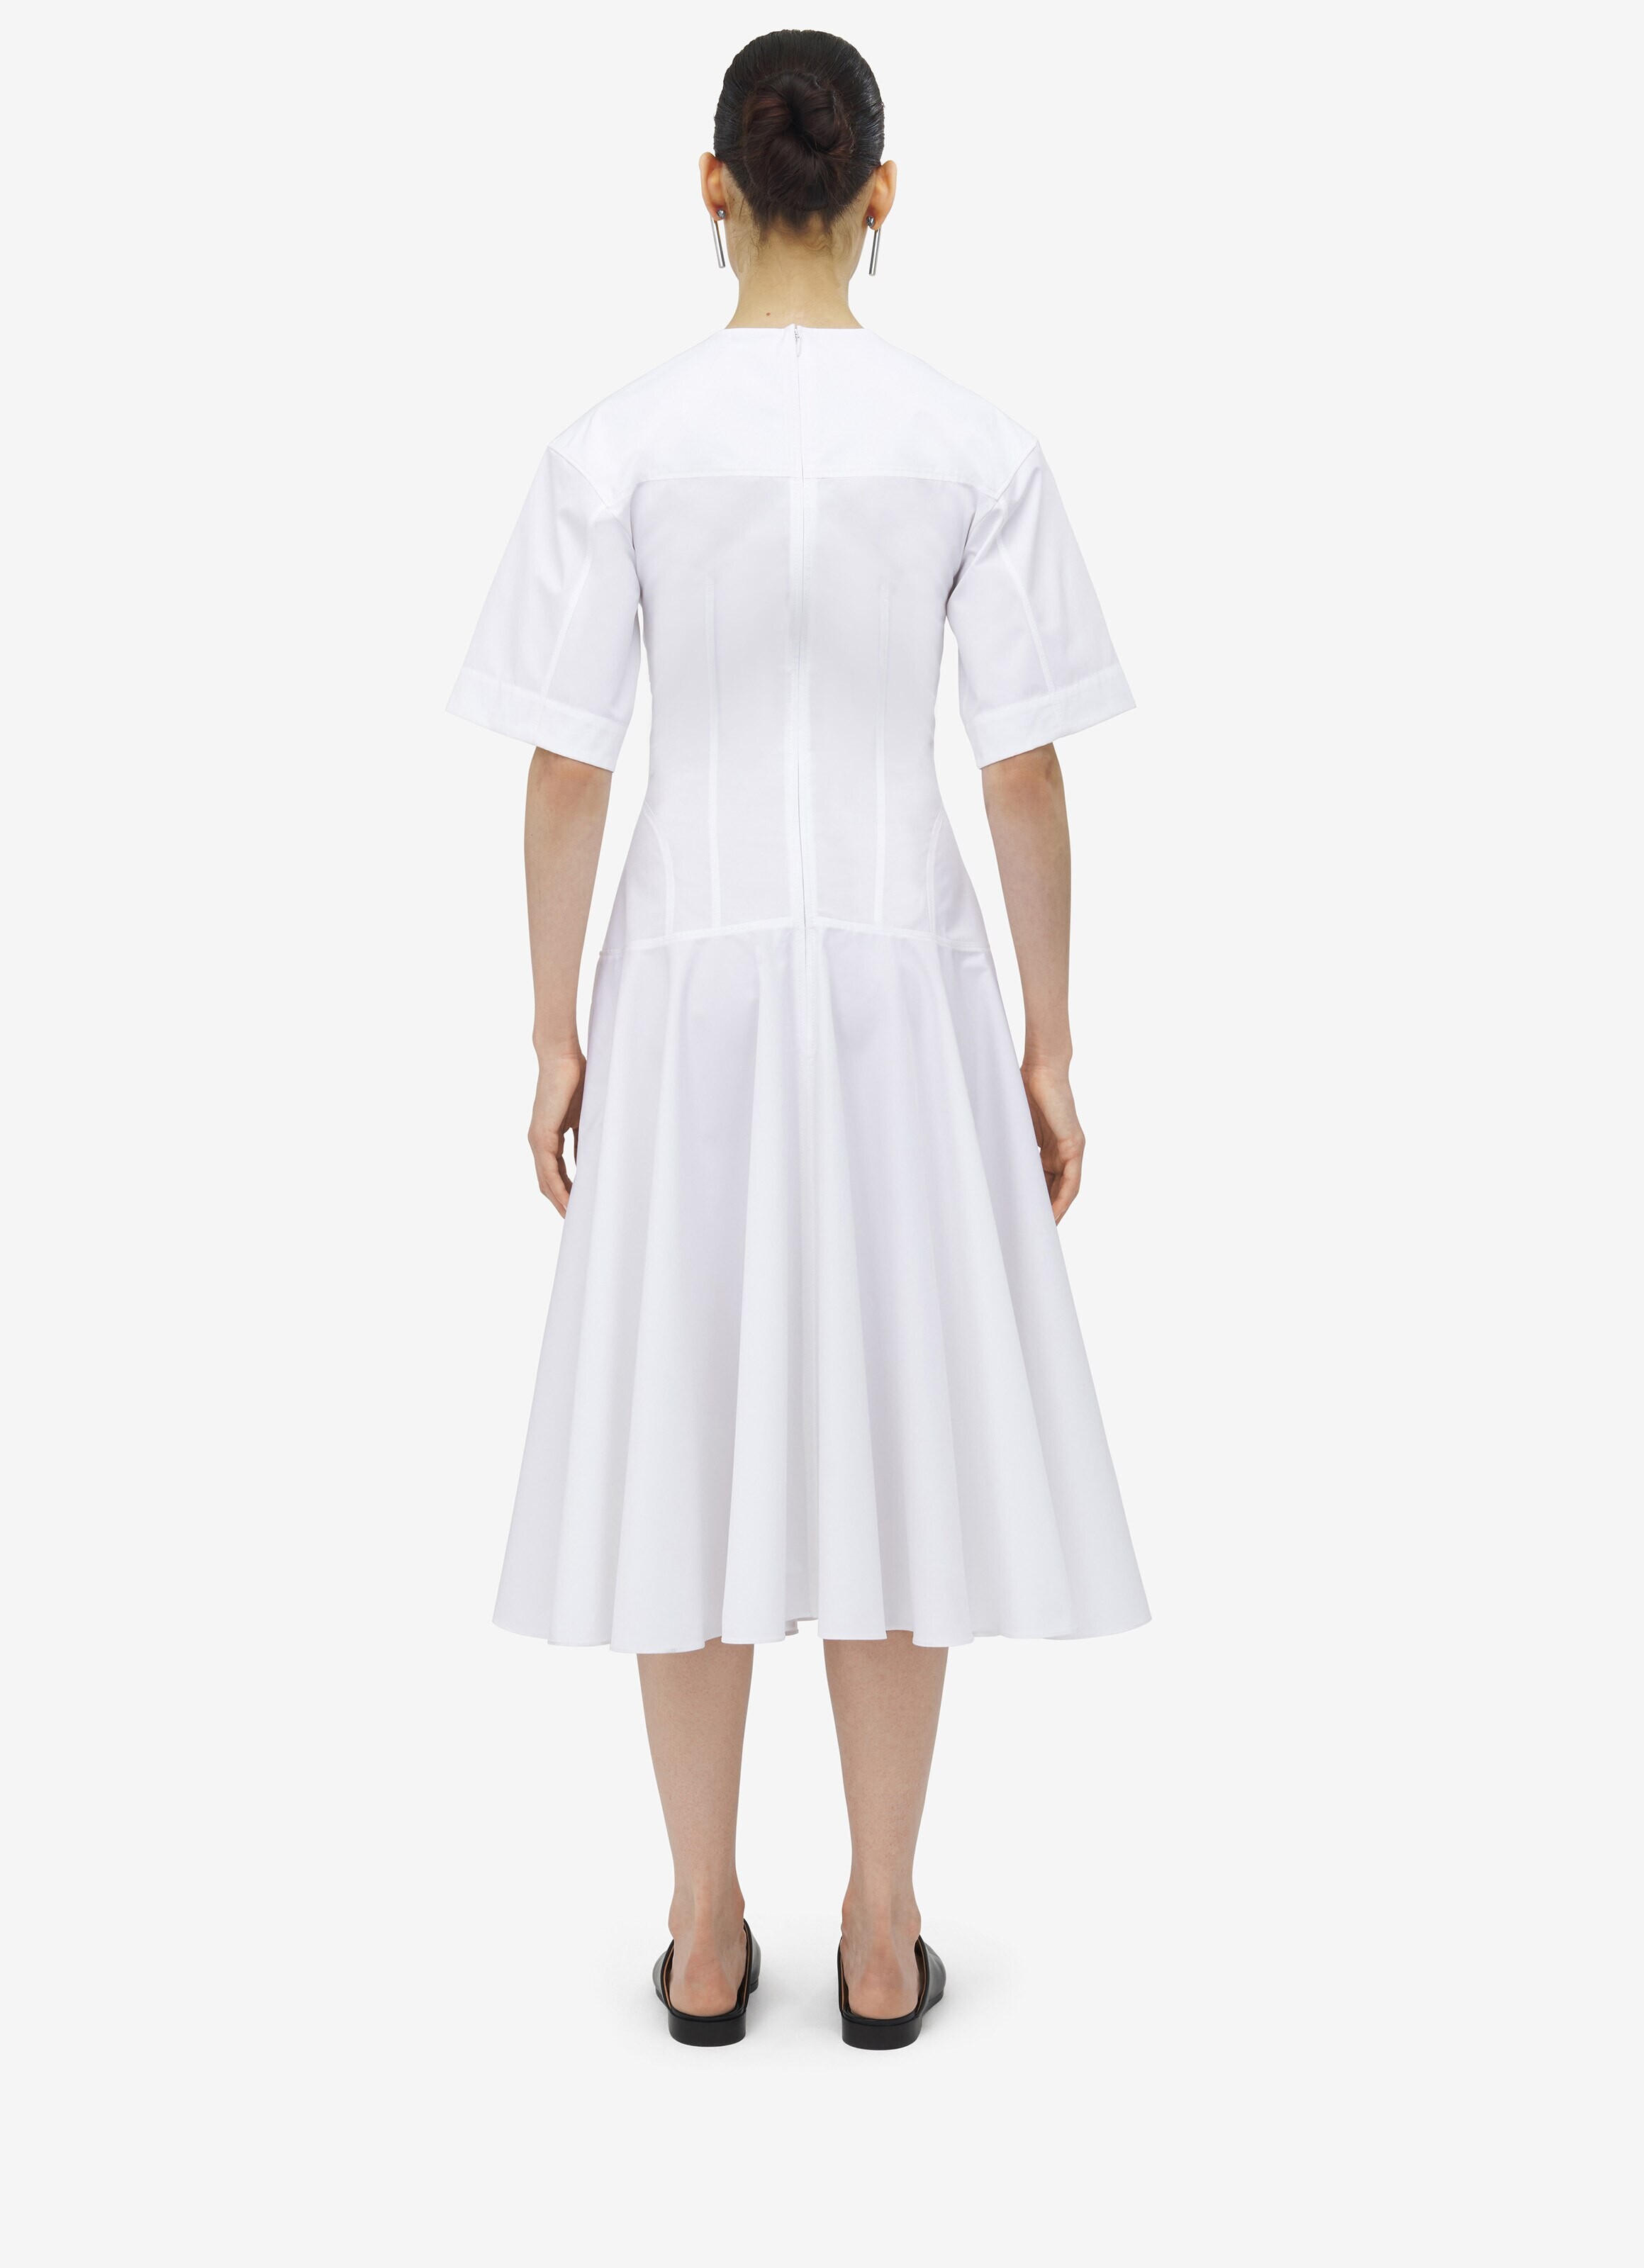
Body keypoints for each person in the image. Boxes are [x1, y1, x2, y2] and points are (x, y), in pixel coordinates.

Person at [447, 28, 1149, 2050]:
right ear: (882, 193)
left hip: (687, 976)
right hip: (903, 980)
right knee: (897, 1432)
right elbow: (1022, 770)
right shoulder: (975, 444)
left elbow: (567, 769)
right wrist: (1050, 1040)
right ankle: (883, 1926)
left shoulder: (617, 447)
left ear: (713, 185)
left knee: (686, 1422)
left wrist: (552, 1030)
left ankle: (698, 1928)